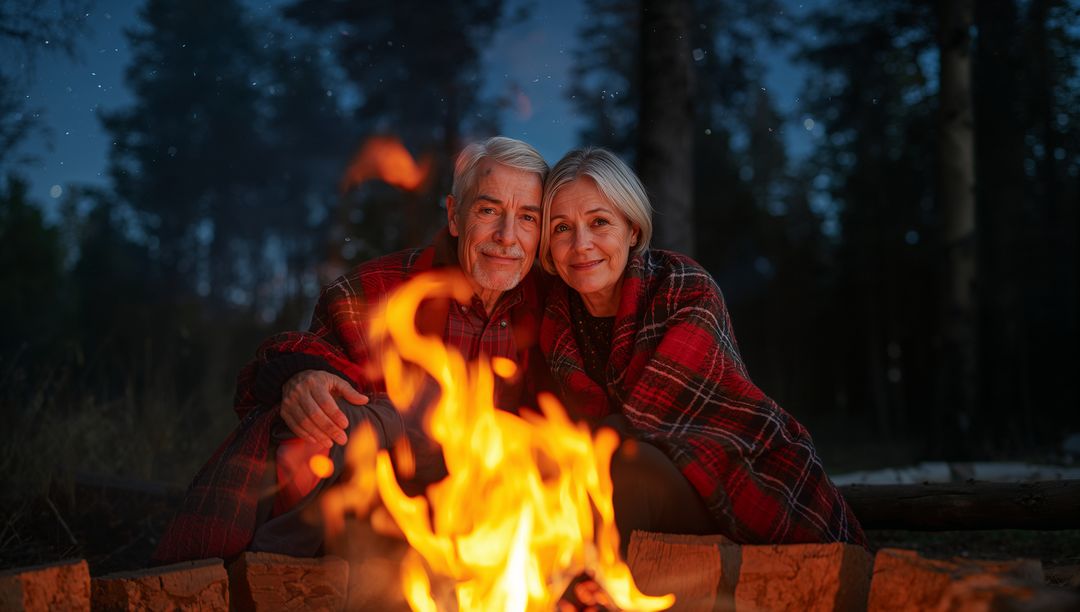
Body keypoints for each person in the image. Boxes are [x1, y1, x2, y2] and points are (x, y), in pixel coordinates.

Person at [153, 136, 550, 564]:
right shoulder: (375, 292)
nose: (507, 237)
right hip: (382, 501)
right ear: (455, 216)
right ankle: (276, 577)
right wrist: (300, 375)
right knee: (321, 424)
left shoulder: (552, 305)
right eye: (488, 211)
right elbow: (292, 366)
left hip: (504, 507)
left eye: (527, 217)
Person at [537, 147, 866, 547]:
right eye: (561, 228)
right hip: (601, 472)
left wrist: (566, 447)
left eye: (599, 222)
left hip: (730, 469)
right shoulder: (552, 317)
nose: (581, 244)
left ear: (633, 230)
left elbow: (662, 417)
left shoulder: (683, 287)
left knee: (619, 466)